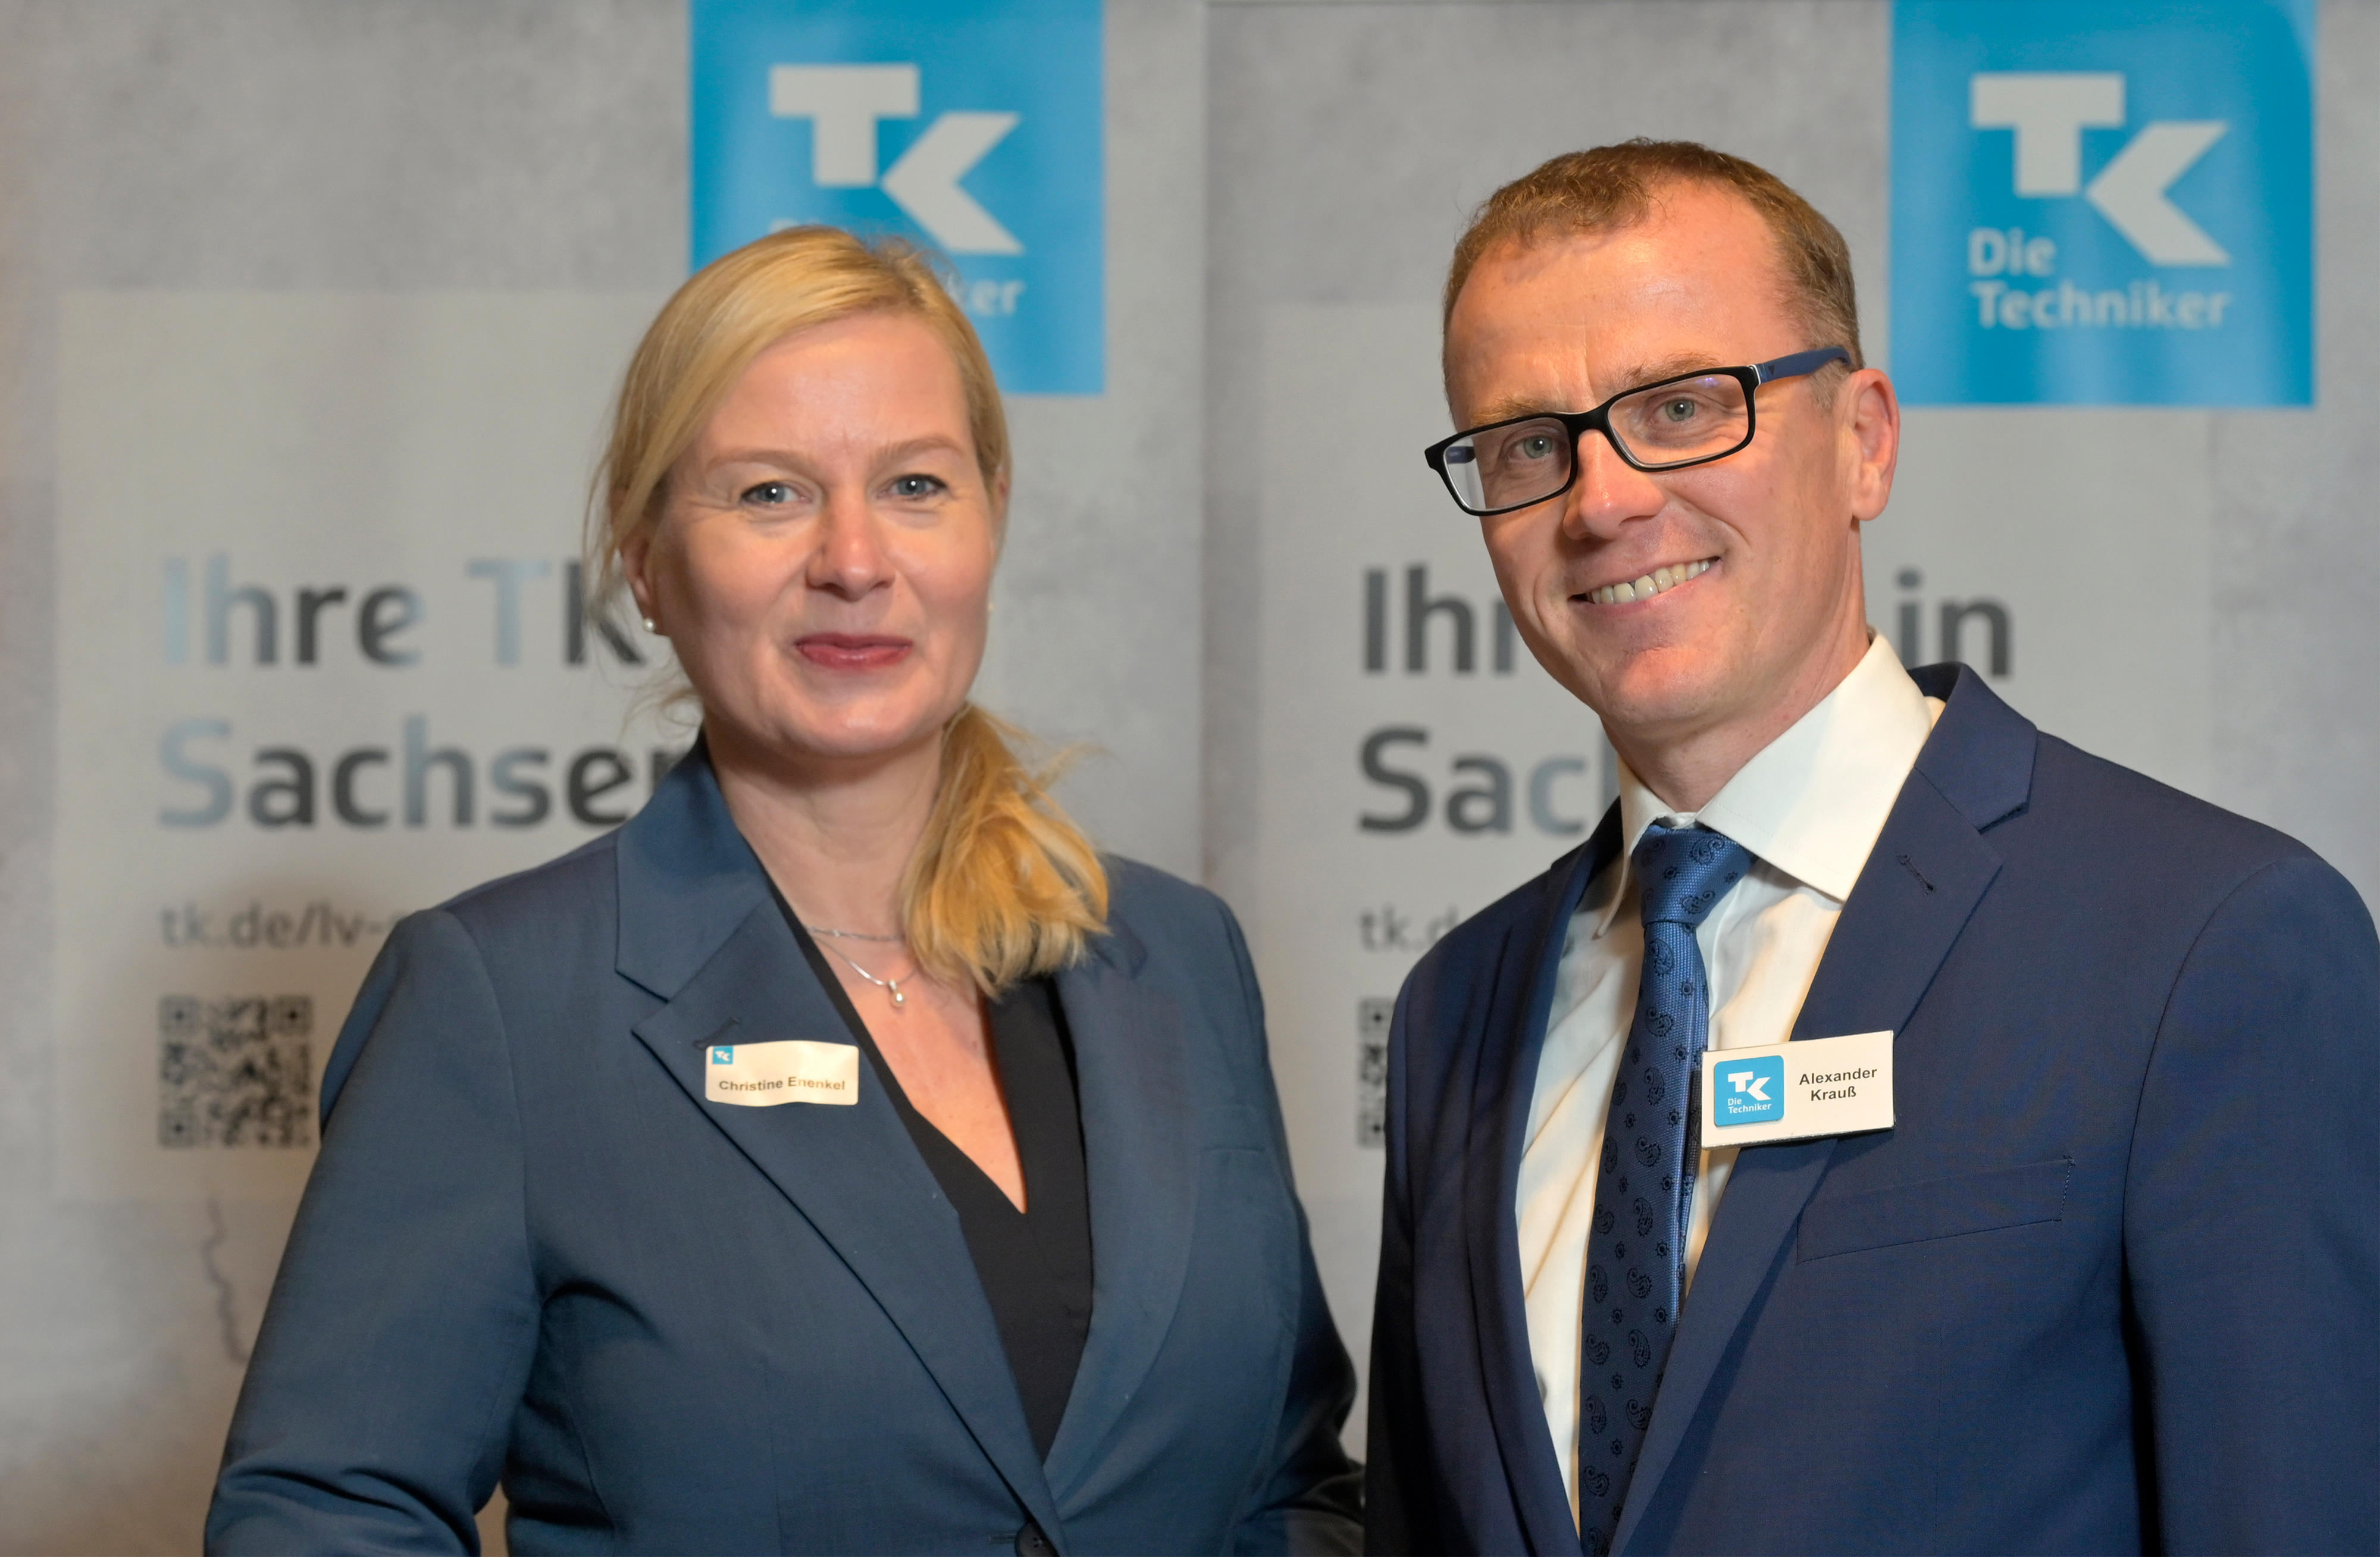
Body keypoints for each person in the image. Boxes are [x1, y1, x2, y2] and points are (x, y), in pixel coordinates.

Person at [208, 227, 1362, 1556]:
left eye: (915, 484)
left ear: (991, 516)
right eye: (769, 493)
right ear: (647, 561)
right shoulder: (501, 1004)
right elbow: (323, 1515)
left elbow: (1289, 1489)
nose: (854, 558)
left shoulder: (1175, 956)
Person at [1365, 140, 2378, 1556]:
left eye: (1680, 407)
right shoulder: (1456, 1010)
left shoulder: (2203, 942)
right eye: (1530, 445)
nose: (1600, 501)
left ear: (1863, 441)